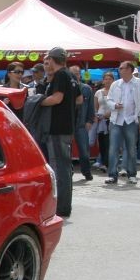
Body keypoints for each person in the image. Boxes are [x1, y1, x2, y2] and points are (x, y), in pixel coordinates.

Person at [39, 47, 76, 216]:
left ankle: (61, 207)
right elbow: (78, 99)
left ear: (53, 60)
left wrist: (37, 101)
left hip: (57, 127)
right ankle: (64, 206)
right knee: (64, 167)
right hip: (66, 126)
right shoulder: (70, 75)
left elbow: (57, 98)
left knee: (59, 168)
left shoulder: (61, 75)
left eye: (49, 60)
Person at [104, 60, 140, 185]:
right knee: (113, 148)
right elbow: (108, 99)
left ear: (130, 69)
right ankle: (112, 175)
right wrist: (114, 105)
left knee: (131, 148)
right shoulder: (116, 84)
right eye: (119, 68)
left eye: (122, 68)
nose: (119, 70)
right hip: (116, 120)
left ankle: (132, 174)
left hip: (131, 120)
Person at [69, 65, 95, 181]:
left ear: (80, 75)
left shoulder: (86, 89)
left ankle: (86, 171)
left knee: (84, 151)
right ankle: (69, 171)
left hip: (81, 124)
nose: (74, 76)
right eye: (72, 74)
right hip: (68, 124)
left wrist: (90, 120)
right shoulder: (66, 88)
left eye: (76, 73)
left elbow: (91, 106)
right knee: (67, 151)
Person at [92, 72, 114, 171]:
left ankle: (106, 163)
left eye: (110, 79)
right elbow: (95, 107)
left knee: (108, 142)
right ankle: (103, 161)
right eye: (106, 79)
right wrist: (97, 116)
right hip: (100, 120)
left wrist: (108, 114)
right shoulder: (98, 92)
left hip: (111, 119)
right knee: (101, 142)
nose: (107, 81)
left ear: (113, 80)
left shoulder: (115, 92)